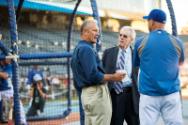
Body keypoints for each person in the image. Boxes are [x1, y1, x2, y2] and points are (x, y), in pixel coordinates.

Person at [133, 9, 184, 125]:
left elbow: (136, 64)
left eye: (148, 21)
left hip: (149, 95)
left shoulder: (140, 42)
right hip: (171, 93)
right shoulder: (177, 42)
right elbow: (180, 63)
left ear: (152, 22)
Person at [71, 19, 126, 125]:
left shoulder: (79, 48)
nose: (98, 33)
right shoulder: (86, 49)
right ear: (85, 32)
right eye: (94, 30)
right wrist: (114, 77)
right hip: (95, 93)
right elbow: (93, 76)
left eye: (98, 31)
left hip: (87, 93)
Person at [102, 26, 139, 125]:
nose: (121, 38)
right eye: (120, 35)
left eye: (125, 36)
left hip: (131, 96)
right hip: (114, 95)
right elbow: (102, 74)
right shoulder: (108, 53)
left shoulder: (137, 55)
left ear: (131, 39)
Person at [0, 57, 27, 124]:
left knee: (18, 105)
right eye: (8, 58)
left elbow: (5, 75)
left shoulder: (10, 66)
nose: (10, 60)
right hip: (1, 91)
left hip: (8, 90)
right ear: (2, 59)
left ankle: (23, 122)